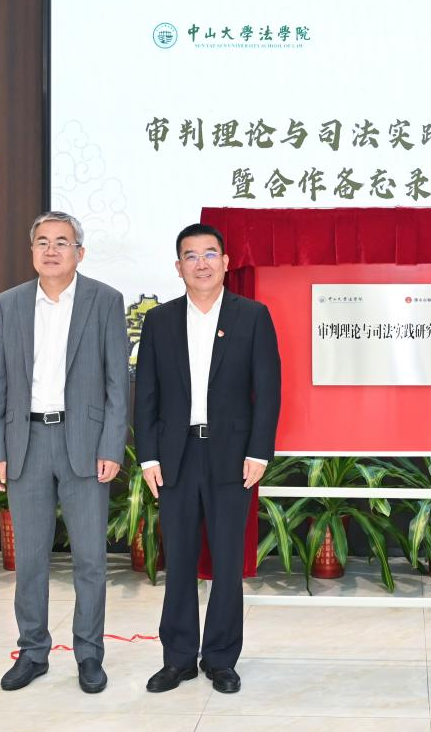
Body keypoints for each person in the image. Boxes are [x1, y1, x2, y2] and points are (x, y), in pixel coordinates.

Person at [0, 210, 129, 694]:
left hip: (84, 445)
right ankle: (32, 651)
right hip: (25, 444)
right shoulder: (9, 303)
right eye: (42, 242)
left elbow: (117, 382)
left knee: (90, 559)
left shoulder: (104, 301)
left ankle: (89, 654)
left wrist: (112, 445)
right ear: (32, 251)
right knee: (29, 559)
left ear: (79, 252)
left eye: (62, 242)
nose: (51, 250)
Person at [135, 223, 281, 695]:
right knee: (178, 561)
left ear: (226, 262)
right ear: (178, 267)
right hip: (175, 457)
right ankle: (178, 659)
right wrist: (148, 457)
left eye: (210, 254)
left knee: (227, 562)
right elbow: (146, 392)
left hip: (232, 458)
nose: (201, 263)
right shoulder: (160, 321)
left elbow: (268, 390)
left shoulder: (252, 316)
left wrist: (259, 451)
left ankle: (220, 659)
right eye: (191, 256)